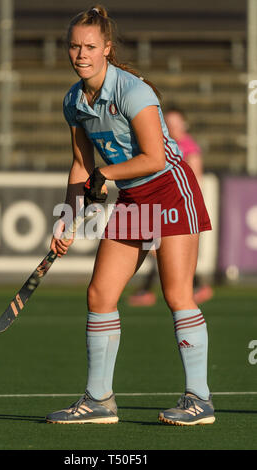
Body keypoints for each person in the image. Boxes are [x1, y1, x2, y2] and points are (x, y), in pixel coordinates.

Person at [46, 5, 215, 426]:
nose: (80, 54)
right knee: (100, 294)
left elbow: (155, 158)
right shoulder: (73, 100)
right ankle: (99, 400)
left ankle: (199, 399)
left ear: (107, 48)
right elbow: (82, 165)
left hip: (170, 190)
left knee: (176, 294)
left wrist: (105, 173)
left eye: (89, 46)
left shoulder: (133, 91)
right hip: (134, 198)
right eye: (74, 46)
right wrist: (68, 217)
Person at [128, 106, 214, 306]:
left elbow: (195, 179)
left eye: (176, 123)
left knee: (161, 249)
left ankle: (153, 290)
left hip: (178, 205)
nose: (173, 127)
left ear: (185, 124)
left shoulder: (189, 148)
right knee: (157, 249)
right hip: (160, 203)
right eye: (169, 123)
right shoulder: (160, 144)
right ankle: (192, 286)